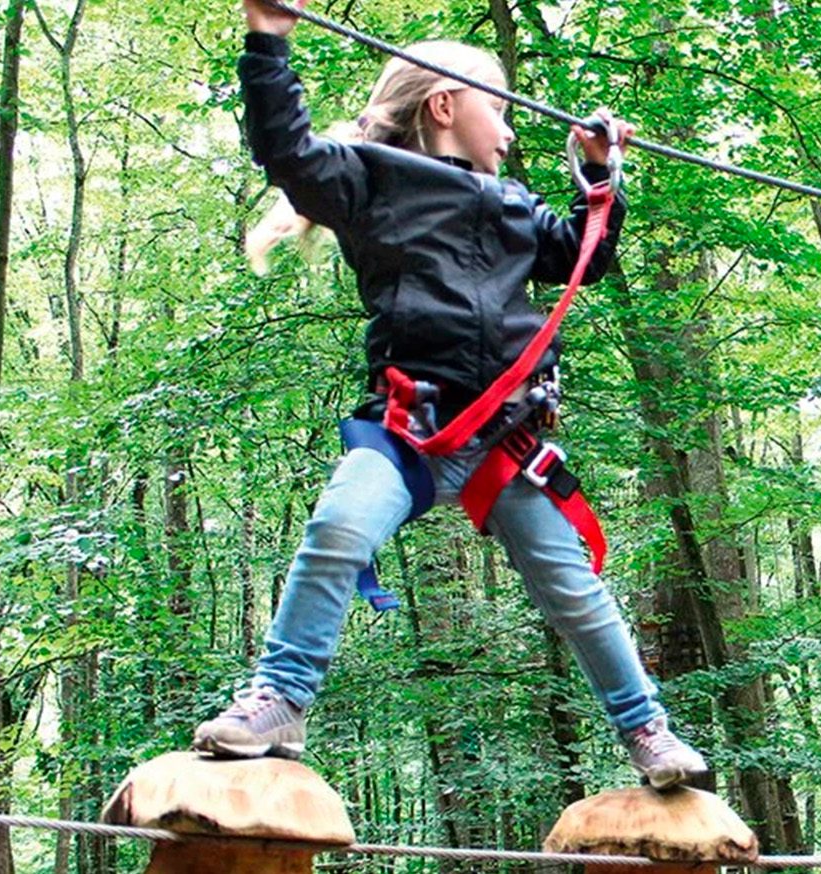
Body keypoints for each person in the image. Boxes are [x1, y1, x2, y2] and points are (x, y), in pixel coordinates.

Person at [195, 0, 708, 790]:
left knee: (573, 588)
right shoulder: (372, 181)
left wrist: (601, 173)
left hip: (504, 438)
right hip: (413, 425)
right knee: (338, 529)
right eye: (497, 109)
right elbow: (287, 151)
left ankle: (647, 730)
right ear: (444, 106)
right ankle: (279, 700)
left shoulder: (513, 207)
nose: (508, 130)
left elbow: (583, 253)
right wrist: (269, 41)